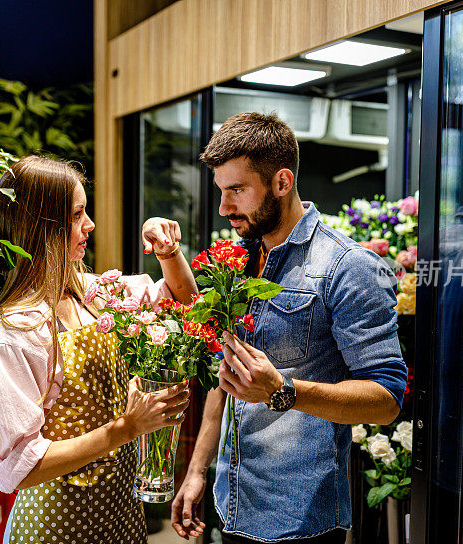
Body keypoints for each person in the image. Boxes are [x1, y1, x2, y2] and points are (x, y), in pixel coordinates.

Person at [171, 113, 408, 544]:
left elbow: (387, 400)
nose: (224, 208)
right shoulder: (238, 261)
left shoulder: (348, 267)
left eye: (236, 190)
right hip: (233, 502)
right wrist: (197, 469)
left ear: (282, 182)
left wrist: (284, 389)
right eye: (221, 192)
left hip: (302, 520)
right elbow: (224, 378)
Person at [0, 156, 195, 543]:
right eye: (77, 215)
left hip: (120, 514)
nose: (89, 225)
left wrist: (167, 251)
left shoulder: (91, 293)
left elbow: (182, 299)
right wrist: (126, 427)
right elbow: (19, 469)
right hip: (57, 525)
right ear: (42, 226)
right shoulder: (17, 330)